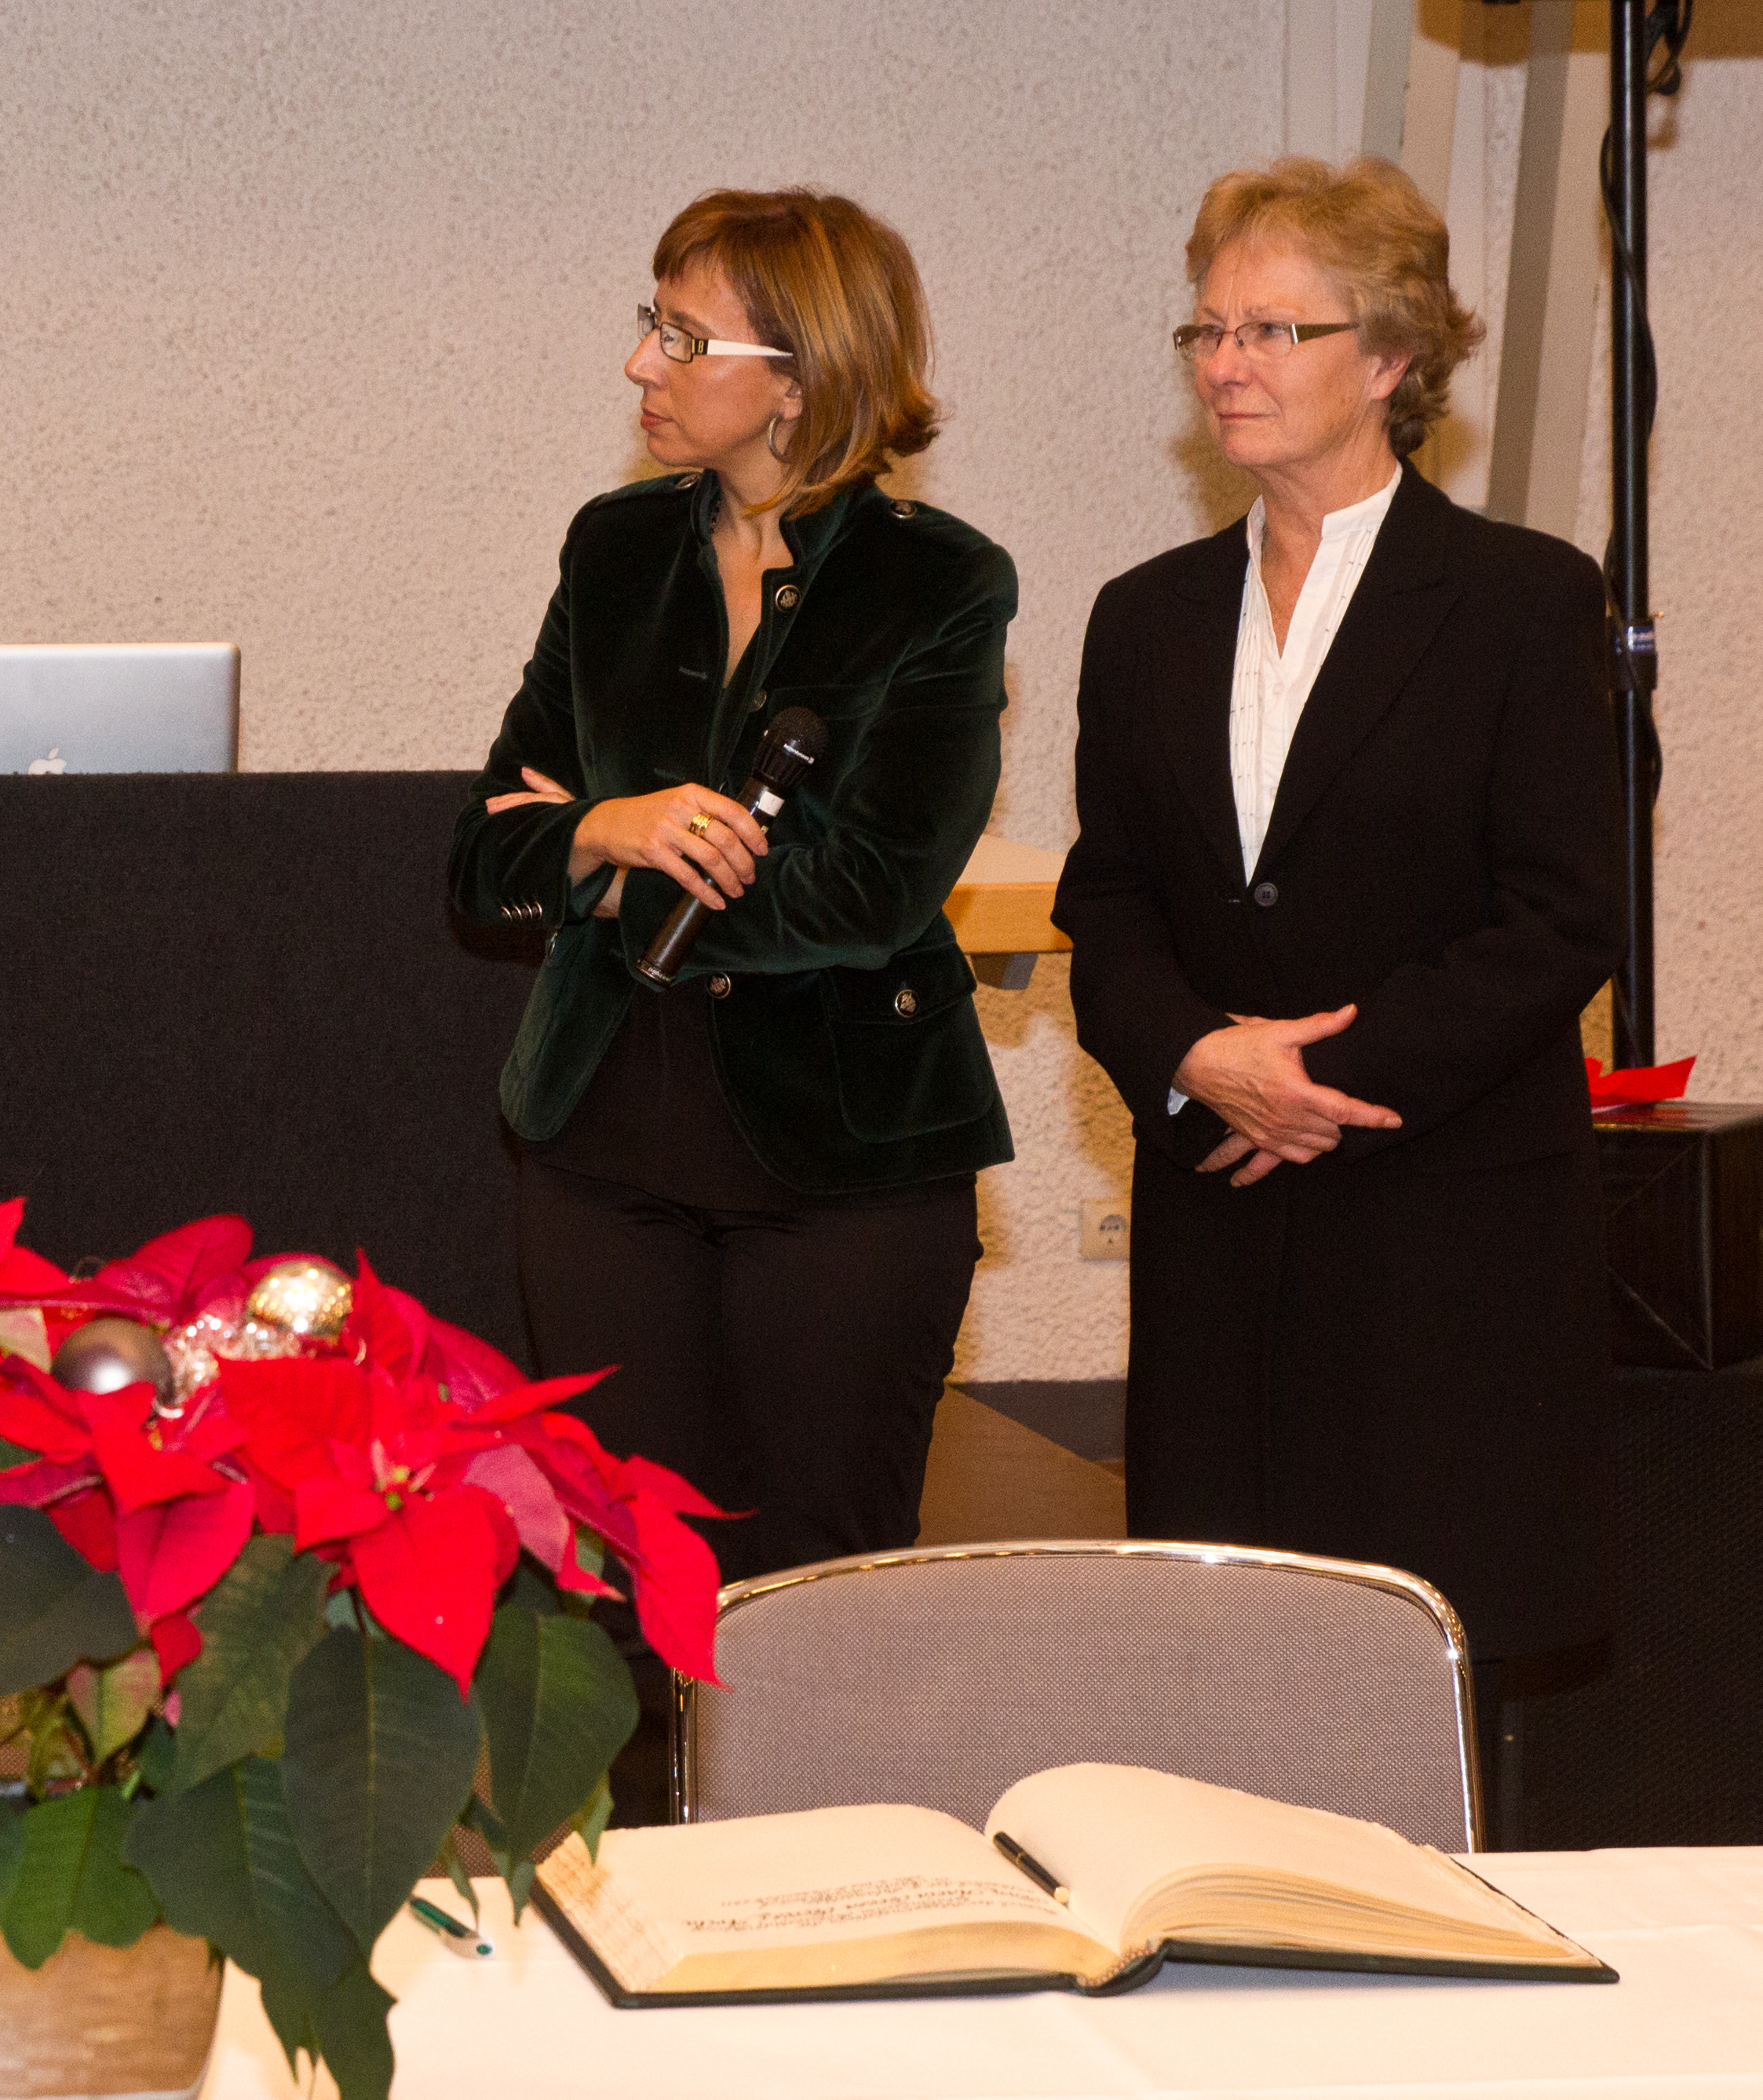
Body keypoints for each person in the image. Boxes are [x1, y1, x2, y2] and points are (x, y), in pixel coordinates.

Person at [1054, 155, 1620, 1699]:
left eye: (1271, 330)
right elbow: (1108, 900)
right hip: (1218, 1235)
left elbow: (1565, 911)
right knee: (1219, 1693)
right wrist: (1195, 1057)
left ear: (1387, 358)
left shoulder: (1519, 600)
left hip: (1440, 1232)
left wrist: (1312, 1083)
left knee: (1425, 1690)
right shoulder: (1144, 616)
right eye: (1207, 329)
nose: (1223, 363)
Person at [449, 188, 1016, 1598]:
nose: (641, 362)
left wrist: (596, 869)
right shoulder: (613, 547)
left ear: (801, 379)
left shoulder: (939, 584)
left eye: (685, 338)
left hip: (847, 1168)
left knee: (816, 1597)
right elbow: (483, 858)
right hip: (599, 1150)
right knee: (625, 1588)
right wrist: (619, 825)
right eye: (652, 323)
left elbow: (872, 893)